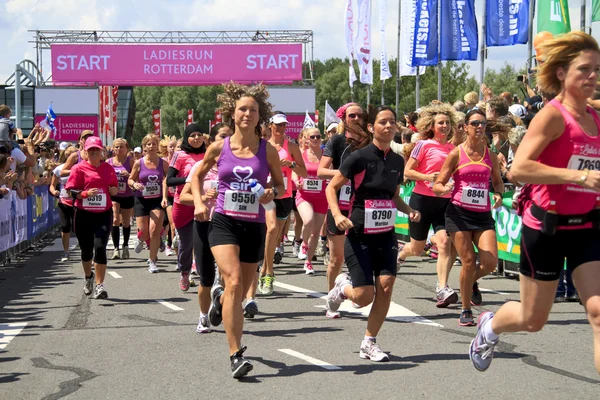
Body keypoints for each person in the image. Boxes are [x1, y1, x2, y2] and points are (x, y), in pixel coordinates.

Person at [469, 31, 600, 374]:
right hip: (546, 228)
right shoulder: (553, 117)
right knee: (532, 319)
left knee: (598, 312)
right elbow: (519, 169)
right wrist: (577, 177)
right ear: (561, 73)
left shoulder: (596, 118)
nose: (592, 77)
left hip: (587, 225)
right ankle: (490, 326)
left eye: (596, 70)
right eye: (584, 69)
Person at [192, 82, 285, 378]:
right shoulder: (219, 147)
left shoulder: (266, 149)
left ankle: (219, 301)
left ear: (260, 117)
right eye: (242, 109)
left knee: (241, 290)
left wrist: (272, 192)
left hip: (254, 224)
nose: (247, 113)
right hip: (224, 221)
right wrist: (198, 202)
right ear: (232, 114)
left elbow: (281, 185)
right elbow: (196, 177)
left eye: (253, 110)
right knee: (233, 282)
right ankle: (235, 353)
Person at [325, 105, 421, 361]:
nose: (389, 126)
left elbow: (392, 195)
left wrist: (408, 209)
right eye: (383, 122)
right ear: (372, 127)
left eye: (392, 122)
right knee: (363, 296)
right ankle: (342, 287)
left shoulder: (397, 160)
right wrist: (337, 215)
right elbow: (331, 189)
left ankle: (369, 342)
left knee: (386, 285)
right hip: (358, 233)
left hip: (385, 233)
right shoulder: (358, 158)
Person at [433, 109, 504, 326]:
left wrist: (499, 194)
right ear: (465, 127)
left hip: (482, 215)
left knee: (490, 262)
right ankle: (465, 309)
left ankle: (470, 281)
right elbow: (438, 184)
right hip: (459, 214)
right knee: (468, 261)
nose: (480, 127)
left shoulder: (490, 155)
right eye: (475, 123)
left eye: (483, 123)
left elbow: (498, 182)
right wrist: (444, 188)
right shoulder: (456, 153)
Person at [397, 103, 459, 308]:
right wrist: (426, 176)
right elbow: (407, 172)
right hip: (421, 200)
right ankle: (401, 254)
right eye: (441, 123)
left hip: (443, 202)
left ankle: (442, 288)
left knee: (444, 243)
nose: (445, 126)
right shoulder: (424, 145)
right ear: (432, 126)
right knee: (416, 249)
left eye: (448, 123)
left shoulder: (453, 149)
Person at [317, 102, 370, 319]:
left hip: (363, 205)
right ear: (343, 118)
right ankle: (332, 299)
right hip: (339, 203)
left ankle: (359, 291)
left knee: (363, 254)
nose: (356, 119)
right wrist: (345, 174)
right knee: (337, 258)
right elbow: (321, 170)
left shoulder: (369, 142)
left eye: (360, 115)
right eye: (352, 116)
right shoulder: (337, 141)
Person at [179, 123, 232, 332]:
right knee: (207, 277)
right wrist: (201, 198)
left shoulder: (237, 167)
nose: (226, 141)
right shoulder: (200, 167)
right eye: (221, 137)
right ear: (211, 140)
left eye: (229, 137)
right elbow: (183, 197)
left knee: (231, 276)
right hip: (204, 224)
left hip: (228, 225)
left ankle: (220, 304)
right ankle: (203, 315)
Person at [258, 111, 307, 295]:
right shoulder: (263, 146)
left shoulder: (292, 146)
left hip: (284, 195)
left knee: (274, 234)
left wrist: (291, 165)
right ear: (270, 125)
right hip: (265, 194)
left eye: (284, 125)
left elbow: (304, 173)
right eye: (277, 125)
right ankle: (266, 270)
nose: (280, 128)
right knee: (268, 232)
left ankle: (266, 269)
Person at [65, 136, 118, 299]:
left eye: (97, 150)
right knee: (86, 250)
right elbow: (70, 191)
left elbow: (114, 187)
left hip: (103, 214)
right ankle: (88, 277)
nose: (94, 152)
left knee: (100, 247)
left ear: (102, 151)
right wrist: (85, 194)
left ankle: (100, 286)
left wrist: (114, 191)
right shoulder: (78, 169)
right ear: (86, 152)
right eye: (91, 150)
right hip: (83, 215)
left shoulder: (108, 168)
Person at [166, 124, 207, 290]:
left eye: (199, 135)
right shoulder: (179, 155)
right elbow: (170, 180)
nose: (196, 138)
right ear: (187, 138)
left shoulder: (209, 153)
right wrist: (190, 180)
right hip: (183, 203)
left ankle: (204, 273)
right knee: (187, 242)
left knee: (204, 242)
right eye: (193, 135)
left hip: (203, 202)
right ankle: (184, 271)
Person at [128, 134, 168, 273]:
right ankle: (140, 239)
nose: (151, 146)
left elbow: (167, 180)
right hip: (141, 199)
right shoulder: (139, 163)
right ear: (144, 147)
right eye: (148, 144)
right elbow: (130, 179)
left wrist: (165, 196)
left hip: (157, 200)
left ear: (158, 146)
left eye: (154, 144)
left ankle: (152, 261)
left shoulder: (163, 163)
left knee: (154, 230)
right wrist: (135, 184)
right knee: (145, 233)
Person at [294, 127, 328, 274]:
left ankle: (308, 262)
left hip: (321, 197)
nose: (316, 139)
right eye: (313, 137)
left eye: (318, 136)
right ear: (306, 139)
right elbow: (293, 173)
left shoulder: (326, 156)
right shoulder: (301, 154)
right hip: (304, 195)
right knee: (308, 220)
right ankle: (304, 244)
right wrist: (296, 182)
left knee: (316, 232)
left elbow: (330, 172)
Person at [49, 145, 77, 262]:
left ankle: (85, 250)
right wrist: (54, 191)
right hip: (64, 201)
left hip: (78, 201)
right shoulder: (59, 169)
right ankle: (66, 251)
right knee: (65, 227)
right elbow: (52, 185)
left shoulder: (80, 168)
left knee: (77, 228)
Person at [107, 138, 135, 260]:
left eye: (121, 147)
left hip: (127, 195)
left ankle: (125, 246)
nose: (119, 149)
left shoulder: (131, 161)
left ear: (126, 148)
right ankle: (116, 249)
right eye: (116, 147)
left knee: (126, 222)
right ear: (113, 148)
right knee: (114, 220)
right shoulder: (109, 162)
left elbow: (137, 177)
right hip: (114, 195)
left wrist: (129, 175)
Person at [160, 136, 178, 257]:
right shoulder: (164, 161)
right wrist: (164, 197)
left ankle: (169, 245)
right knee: (165, 223)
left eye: (174, 146)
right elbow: (164, 181)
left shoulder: (180, 160)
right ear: (166, 148)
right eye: (170, 147)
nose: (172, 149)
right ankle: (162, 238)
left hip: (179, 196)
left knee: (173, 224)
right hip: (167, 196)